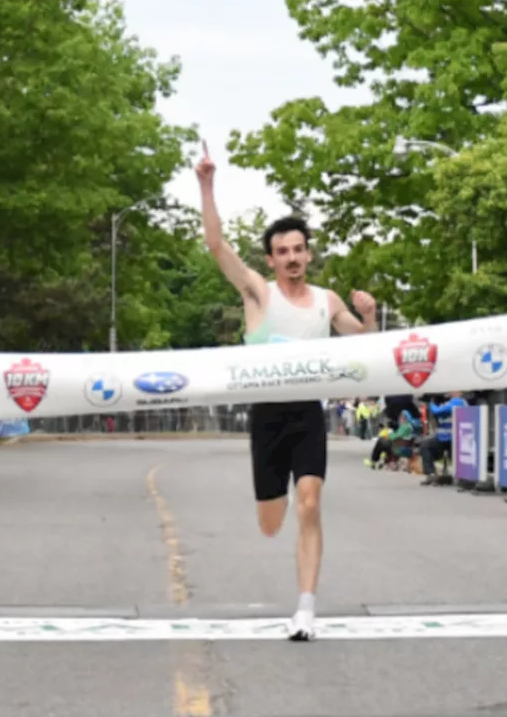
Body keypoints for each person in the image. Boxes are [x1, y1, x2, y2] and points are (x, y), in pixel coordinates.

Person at [196, 141, 377, 641]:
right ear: (271, 260)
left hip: (307, 414)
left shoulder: (325, 299)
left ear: (308, 253)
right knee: (272, 523)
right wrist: (207, 185)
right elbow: (217, 247)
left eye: (299, 249)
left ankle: (305, 610)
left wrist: (368, 315)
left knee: (311, 503)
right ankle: (276, 525)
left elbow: (363, 345)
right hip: (267, 416)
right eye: (283, 252)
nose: (293, 258)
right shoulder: (259, 293)